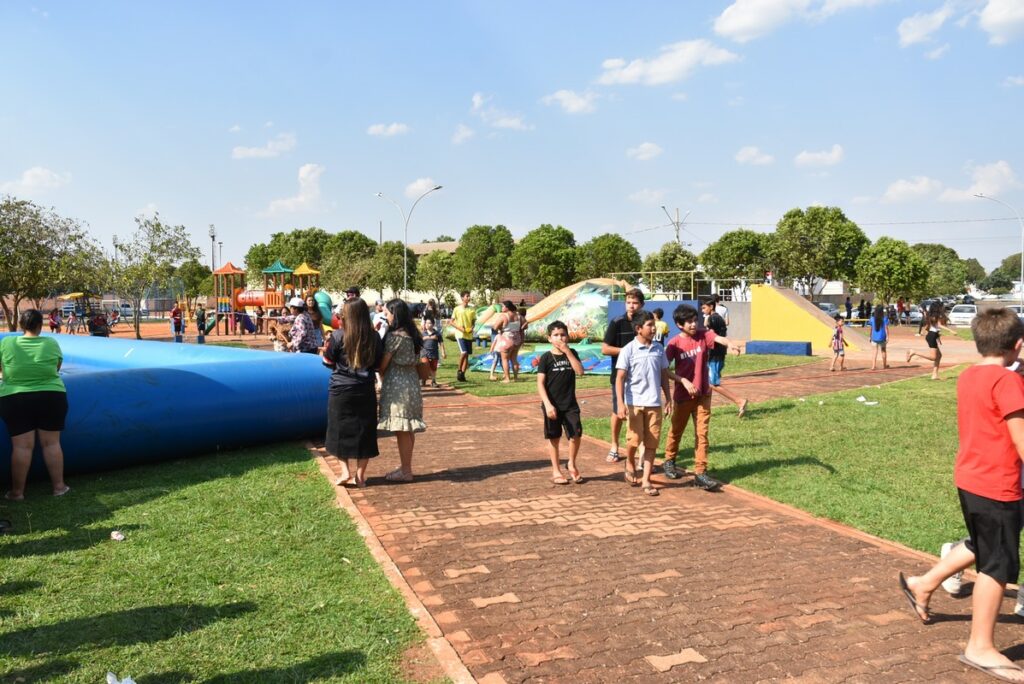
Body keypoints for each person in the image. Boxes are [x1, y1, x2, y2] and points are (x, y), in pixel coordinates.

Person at [898, 308, 1024, 682]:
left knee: (985, 544)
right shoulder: (1009, 382)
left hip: (971, 478)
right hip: (996, 483)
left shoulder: (969, 375)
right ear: (1018, 345)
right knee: (996, 564)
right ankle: (980, 647)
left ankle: (924, 583)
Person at [663, 303, 743, 491]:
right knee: (676, 430)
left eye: (695, 320)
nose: (693, 324)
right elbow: (665, 370)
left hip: (703, 394)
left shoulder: (703, 335)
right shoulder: (674, 343)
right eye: (689, 322)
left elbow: (718, 338)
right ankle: (669, 460)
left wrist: (730, 344)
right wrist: (683, 380)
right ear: (679, 324)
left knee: (702, 434)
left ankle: (700, 472)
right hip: (683, 396)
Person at [0, 309, 70, 500]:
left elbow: (2, 370)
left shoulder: (7, 342)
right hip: (51, 396)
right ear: (41, 325)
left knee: (21, 447)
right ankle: (59, 487)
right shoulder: (51, 343)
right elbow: (56, 368)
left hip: (15, 398)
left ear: (21, 325)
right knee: (52, 443)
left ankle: (17, 492)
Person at [323, 298, 384, 488]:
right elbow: (377, 364)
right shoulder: (374, 337)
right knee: (365, 432)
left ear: (347, 315)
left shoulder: (338, 335)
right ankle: (360, 476)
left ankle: (344, 472)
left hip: (340, 390)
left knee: (338, 430)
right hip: (364, 390)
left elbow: (328, 361)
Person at [615, 310, 673, 497]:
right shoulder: (628, 350)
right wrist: (621, 404)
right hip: (634, 403)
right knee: (634, 440)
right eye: (649, 325)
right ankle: (630, 461)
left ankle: (646, 480)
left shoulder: (658, 349)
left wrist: (668, 398)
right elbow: (620, 378)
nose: (653, 328)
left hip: (654, 403)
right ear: (638, 329)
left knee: (651, 443)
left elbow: (664, 375)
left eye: (653, 324)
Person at [378, 299, 426, 482]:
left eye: (388, 313)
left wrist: (379, 371)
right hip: (411, 383)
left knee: (402, 430)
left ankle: (406, 471)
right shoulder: (412, 334)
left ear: (395, 314)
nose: (386, 317)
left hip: (397, 386)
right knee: (408, 428)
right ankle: (406, 467)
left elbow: (383, 364)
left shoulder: (394, 337)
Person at [537, 320, 585, 485]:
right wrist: (548, 404)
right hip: (552, 405)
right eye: (556, 335)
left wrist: (568, 353)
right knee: (554, 438)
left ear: (568, 337)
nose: (560, 338)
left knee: (576, 434)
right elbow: (540, 384)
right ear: (549, 338)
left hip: (570, 404)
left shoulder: (572, 353)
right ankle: (556, 470)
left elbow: (580, 372)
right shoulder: (546, 358)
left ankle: (571, 463)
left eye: (563, 335)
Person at [602, 288, 645, 464]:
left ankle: (642, 452)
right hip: (620, 375)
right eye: (628, 302)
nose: (631, 306)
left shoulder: (645, 321)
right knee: (618, 412)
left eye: (635, 302)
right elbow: (605, 349)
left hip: (641, 377)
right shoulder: (617, 322)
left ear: (641, 304)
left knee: (641, 413)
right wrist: (627, 352)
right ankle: (614, 446)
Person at [700, 298, 749, 418]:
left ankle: (739, 401)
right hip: (718, 353)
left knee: (713, 384)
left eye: (704, 307)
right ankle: (705, 409)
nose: (702, 310)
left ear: (711, 307)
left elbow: (712, 336)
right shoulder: (718, 318)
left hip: (715, 355)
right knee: (707, 382)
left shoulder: (712, 318)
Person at [907, 300, 954, 380]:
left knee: (939, 356)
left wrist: (937, 336)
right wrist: (950, 330)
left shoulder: (933, 315)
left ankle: (934, 375)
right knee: (933, 357)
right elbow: (939, 325)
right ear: (938, 307)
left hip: (932, 335)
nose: (943, 308)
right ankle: (914, 352)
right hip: (931, 336)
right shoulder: (935, 316)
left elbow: (933, 327)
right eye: (941, 306)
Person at [489, 301, 522, 383]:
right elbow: (525, 324)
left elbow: (495, 327)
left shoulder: (504, 316)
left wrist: (500, 328)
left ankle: (507, 378)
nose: (501, 308)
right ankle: (516, 378)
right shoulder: (518, 316)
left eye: (503, 306)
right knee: (514, 359)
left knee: (505, 359)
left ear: (507, 307)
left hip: (507, 339)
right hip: (517, 339)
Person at [451, 291, 476, 383]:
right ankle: (459, 371)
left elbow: (474, 321)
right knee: (464, 352)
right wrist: (460, 328)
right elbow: (451, 321)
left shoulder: (472, 309)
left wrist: (472, 327)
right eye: (467, 296)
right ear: (462, 298)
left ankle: (463, 375)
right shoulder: (457, 309)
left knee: (467, 356)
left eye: (469, 296)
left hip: (469, 335)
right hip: (460, 334)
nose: (469, 298)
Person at [420, 317, 446, 388]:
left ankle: (433, 381)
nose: (428, 325)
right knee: (425, 365)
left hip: (434, 353)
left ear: (433, 324)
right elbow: (419, 342)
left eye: (430, 323)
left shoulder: (437, 334)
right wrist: (427, 338)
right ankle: (423, 379)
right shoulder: (423, 333)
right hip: (424, 352)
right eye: (426, 323)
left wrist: (443, 352)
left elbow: (441, 343)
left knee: (433, 368)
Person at [869, 304, 889, 371]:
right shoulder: (884, 318)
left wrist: (870, 336)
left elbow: (871, 329)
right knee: (883, 351)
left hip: (874, 337)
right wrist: (887, 337)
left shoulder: (872, 319)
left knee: (874, 352)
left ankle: (873, 366)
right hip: (882, 337)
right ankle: (884, 365)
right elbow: (886, 328)